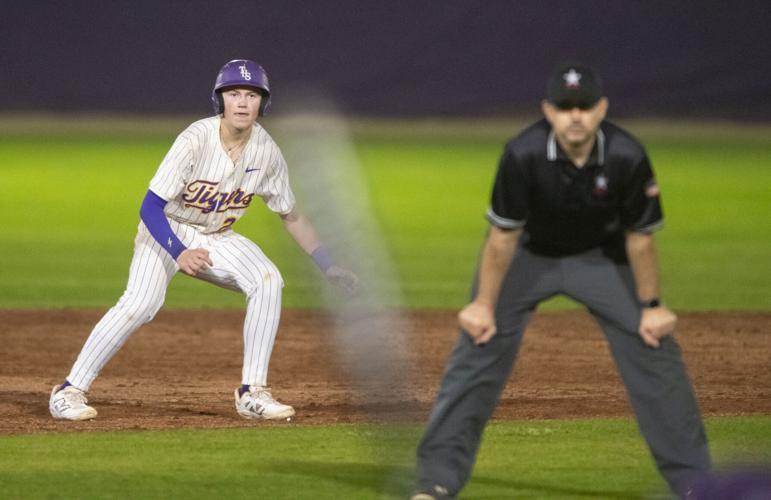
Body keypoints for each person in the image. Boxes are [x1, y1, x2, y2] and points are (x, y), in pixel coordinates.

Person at [411, 63, 711, 499]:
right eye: (565, 106)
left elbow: (640, 239)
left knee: (655, 346)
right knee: (476, 344)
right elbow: (503, 236)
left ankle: (696, 486)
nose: (575, 115)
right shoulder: (524, 153)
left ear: (601, 109)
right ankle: (436, 483)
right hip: (528, 258)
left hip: (603, 261)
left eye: (585, 106)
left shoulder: (626, 154)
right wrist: (483, 305)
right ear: (548, 111)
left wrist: (651, 306)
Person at [49, 59, 357, 422]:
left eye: (252, 94)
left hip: (217, 235)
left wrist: (328, 265)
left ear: (263, 103)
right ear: (220, 100)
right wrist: (178, 253)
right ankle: (69, 391)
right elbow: (149, 207)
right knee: (140, 303)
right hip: (166, 228)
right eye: (234, 93)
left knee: (268, 279)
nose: (242, 102)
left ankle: (252, 393)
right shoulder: (195, 140)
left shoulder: (266, 152)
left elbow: (291, 214)